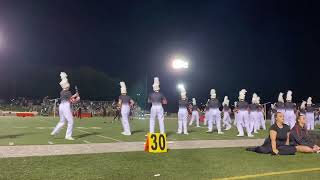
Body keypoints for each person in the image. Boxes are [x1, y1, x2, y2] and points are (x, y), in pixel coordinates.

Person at [51, 72, 80, 140]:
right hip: (66, 106)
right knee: (71, 121)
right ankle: (68, 136)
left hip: (61, 106)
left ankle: (54, 131)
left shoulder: (62, 92)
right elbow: (72, 101)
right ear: (66, 86)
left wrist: (75, 95)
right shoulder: (68, 92)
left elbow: (68, 97)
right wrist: (77, 99)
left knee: (62, 121)